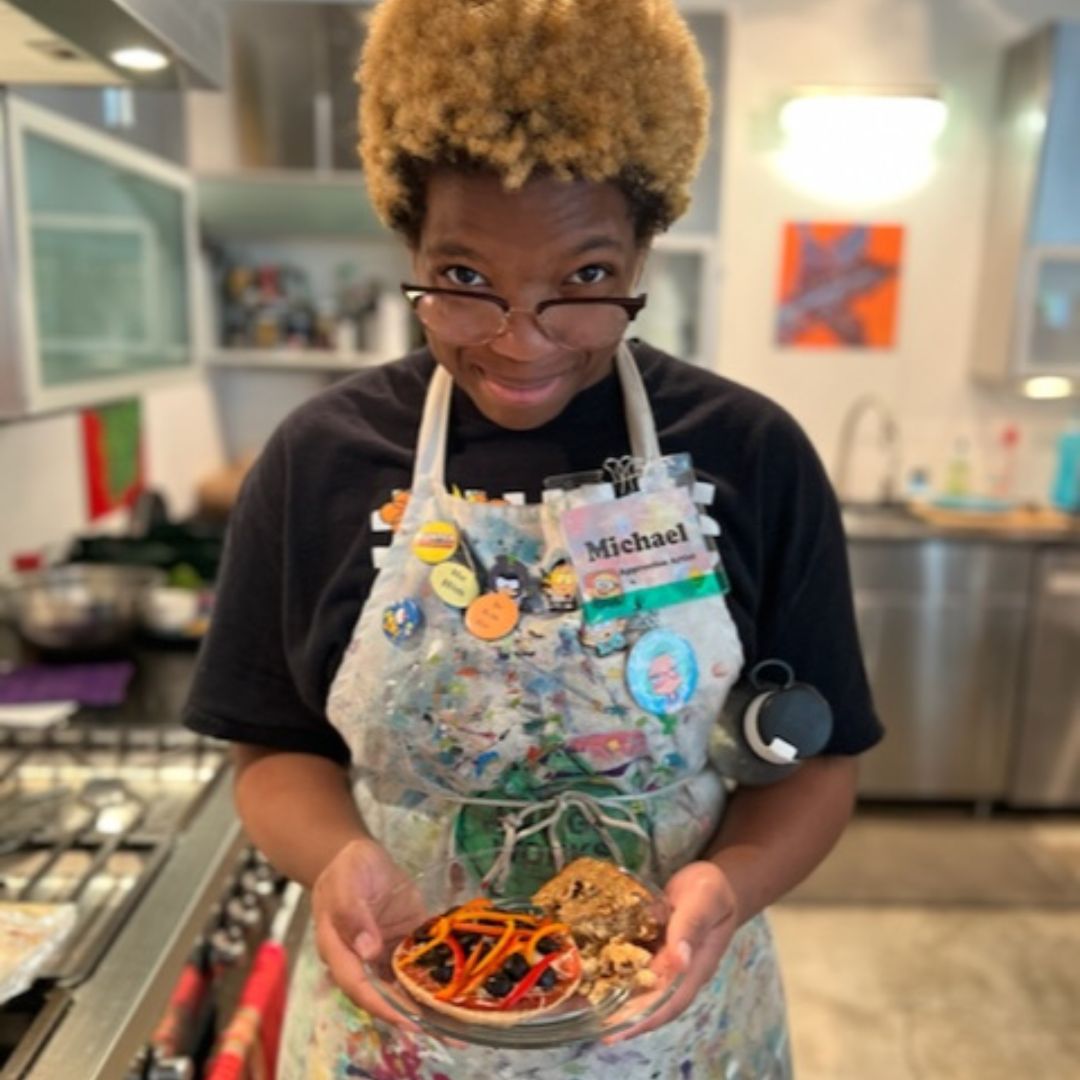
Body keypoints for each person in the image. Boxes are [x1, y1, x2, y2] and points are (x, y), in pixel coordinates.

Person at [183, 1, 883, 1077]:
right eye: (464, 281)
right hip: (397, 1024)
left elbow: (815, 761)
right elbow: (274, 747)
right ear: (407, 238)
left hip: (670, 1032)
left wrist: (731, 882)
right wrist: (336, 860)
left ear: (647, 247)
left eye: (586, 282)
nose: (522, 343)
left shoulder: (751, 453)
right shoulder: (320, 458)